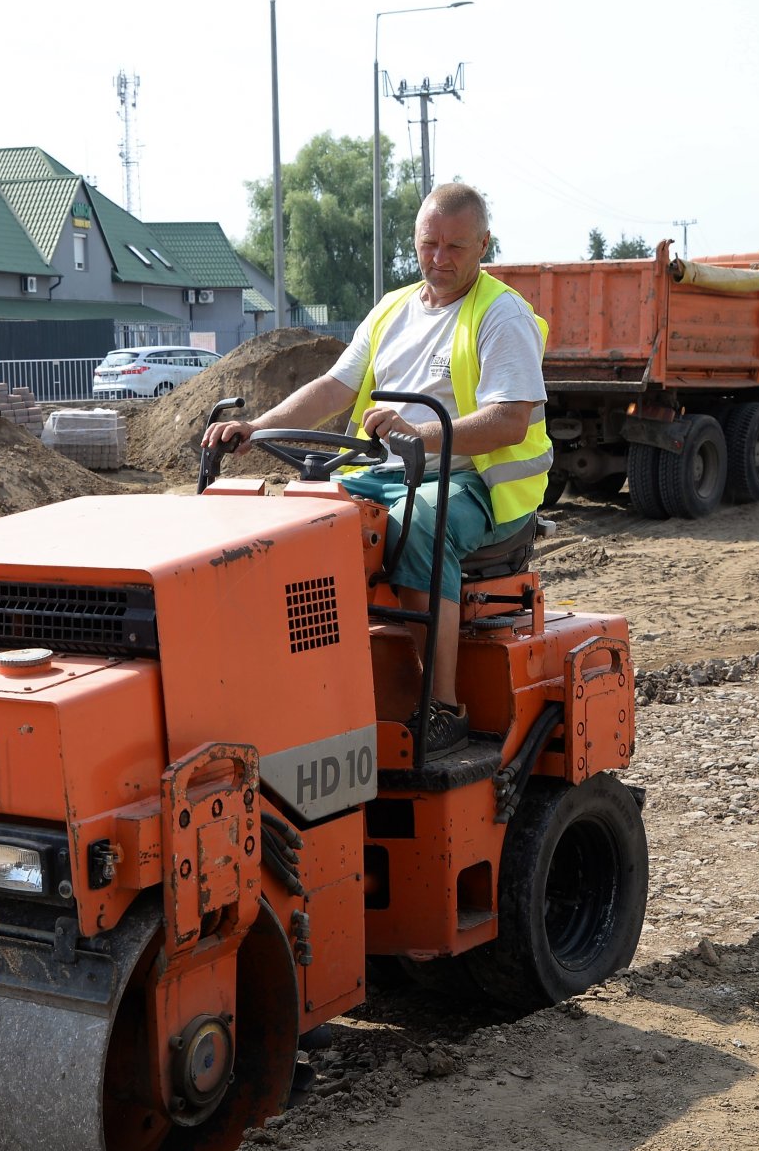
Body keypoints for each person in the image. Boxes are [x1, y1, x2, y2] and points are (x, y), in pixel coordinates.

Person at [202, 182, 550, 757]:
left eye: (454, 247)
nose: (438, 259)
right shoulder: (392, 308)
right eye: (428, 244)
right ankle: (300, 685)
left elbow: (510, 421)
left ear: (484, 244)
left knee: (420, 525)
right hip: (392, 470)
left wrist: (422, 435)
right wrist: (258, 428)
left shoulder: (500, 315)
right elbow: (333, 387)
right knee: (301, 516)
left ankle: (440, 706)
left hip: (476, 484)